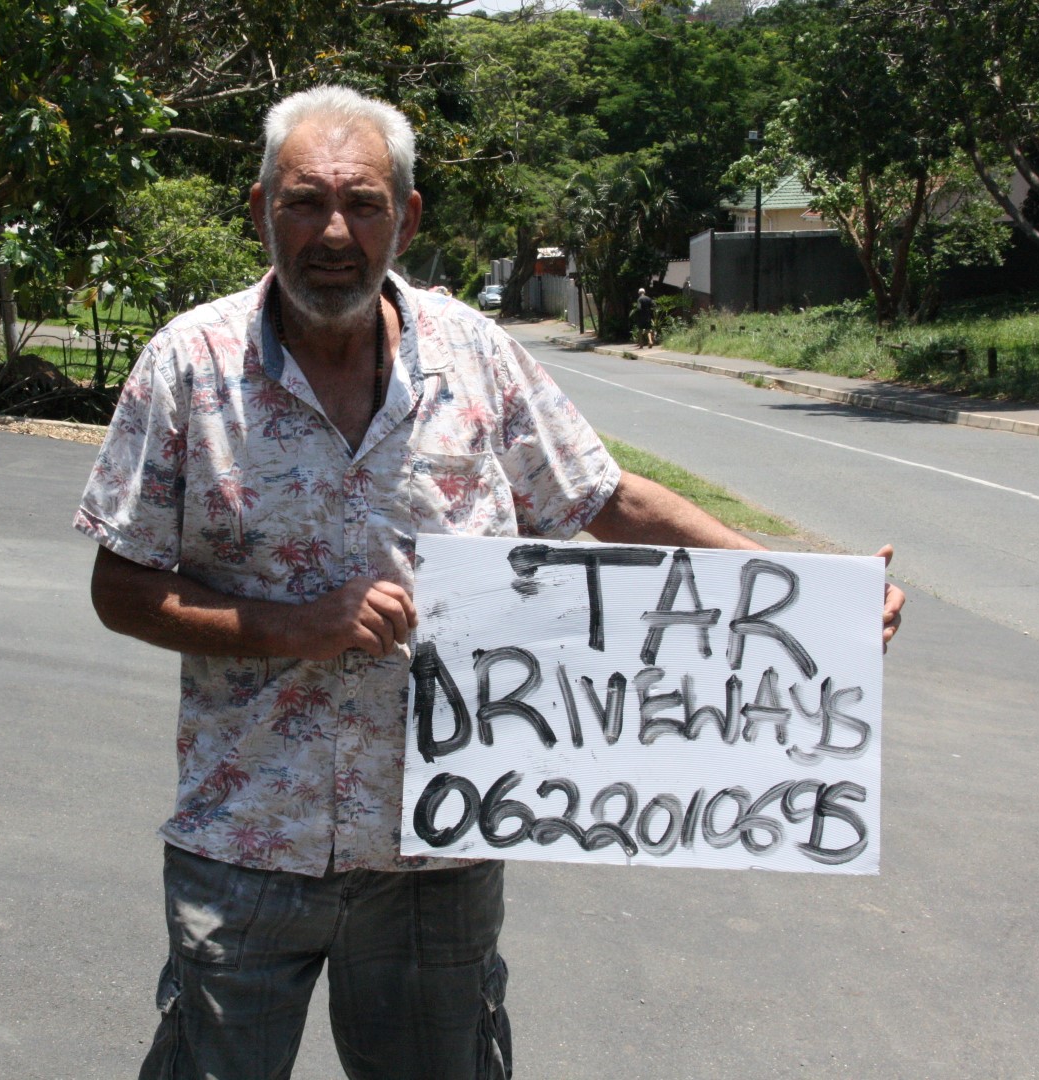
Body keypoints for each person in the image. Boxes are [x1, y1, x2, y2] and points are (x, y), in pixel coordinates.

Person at [76, 85, 906, 1080]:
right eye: (303, 201)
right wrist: (290, 626)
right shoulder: (187, 367)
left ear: (408, 217)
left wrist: (800, 590)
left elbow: (605, 499)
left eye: (364, 203)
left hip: (437, 861)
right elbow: (120, 585)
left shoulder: (476, 359)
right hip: (245, 840)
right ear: (260, 208)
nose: (333, 231)